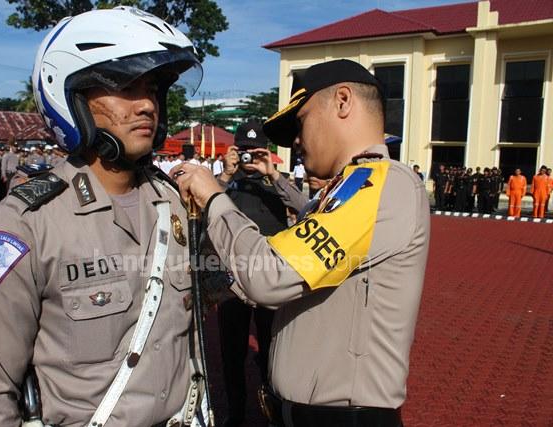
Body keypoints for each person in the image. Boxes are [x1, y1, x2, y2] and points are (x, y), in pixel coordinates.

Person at [0, 7, 211, 427]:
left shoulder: (176, 205)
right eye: (126, 87)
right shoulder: (23, 226)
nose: (148, 104)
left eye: (152, 88)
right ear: (72, 96)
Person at [172, 59, 430, 427]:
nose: (296, 139)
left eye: (301, 121)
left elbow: (271, 274)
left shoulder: (381, 182)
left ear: (343, 102)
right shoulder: (344, 189)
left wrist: (214, 198)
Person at [215, 120, 304, 427]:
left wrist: (274, 174)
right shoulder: (226, 180)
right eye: (244, 151)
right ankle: (236, 414)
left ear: (267, 151)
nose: (250, 158)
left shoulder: (278, 181)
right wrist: (226, 172)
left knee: (272, 352)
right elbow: (200, 205)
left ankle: (273, 413)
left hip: (271, 278)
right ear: (234, 151)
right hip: (233, 281)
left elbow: (305, 207)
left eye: (256, 151)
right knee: (231, 353)